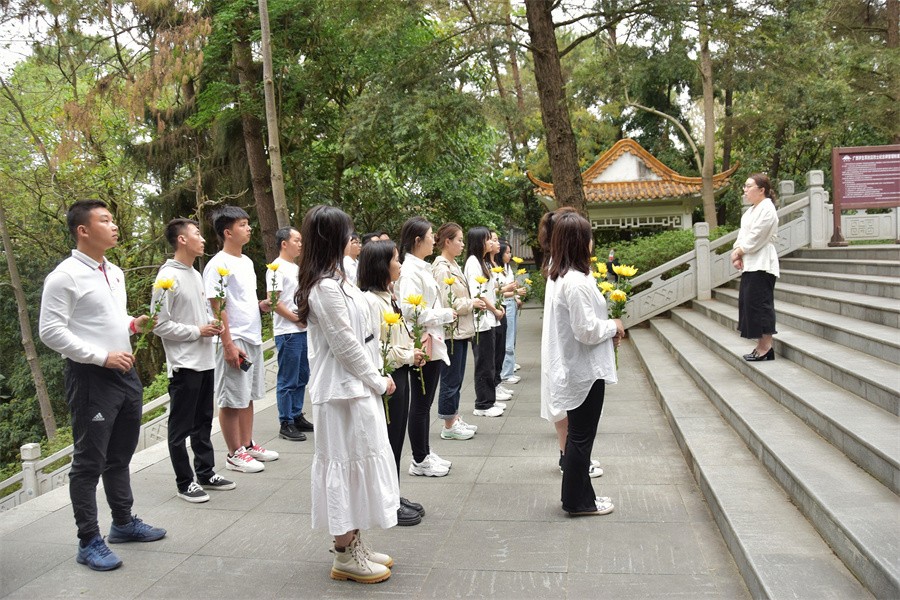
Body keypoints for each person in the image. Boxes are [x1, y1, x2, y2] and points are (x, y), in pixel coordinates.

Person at [39, 200, 166, 571]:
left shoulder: (115, 271)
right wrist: (101, 356)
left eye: (112, 219)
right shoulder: (64, 276)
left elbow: (107, 318)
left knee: (120, 455)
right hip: (91, 378)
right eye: (105, 220)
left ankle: (123, 523)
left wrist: (132, 324)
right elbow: (50, 331)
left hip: (125, 374)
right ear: (83, 230)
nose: (113, 226)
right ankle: (88, 540)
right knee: (88, 461)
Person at [295, 205, 399, 584]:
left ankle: (355, 543)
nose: (352, 238)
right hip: (341, 392)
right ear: (332, 237)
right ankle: (343, 553)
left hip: (357, 388)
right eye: (347, 232)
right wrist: (377, 380)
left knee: (358, 464)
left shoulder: (340, 279)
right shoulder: (324, 287)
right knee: (342, 465)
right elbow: (345, 346)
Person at [546, 212, 624, 516]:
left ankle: (581, 497)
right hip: (584, 370)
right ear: (580, 242)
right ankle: (577, 501)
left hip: (581, 366)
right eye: (588, 236)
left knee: (579, 437)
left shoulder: (568, 278)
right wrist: (613, 326)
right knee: (581, 438)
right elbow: (586, 330)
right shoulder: (576, 283)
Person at [153, 218, 235, 504]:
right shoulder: (166, 278)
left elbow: (198, 314)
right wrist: (197, 331)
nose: (202, 239)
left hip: (205, 360)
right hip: (184, 364)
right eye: (197, 234)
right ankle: (184, 482)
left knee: (203, 422)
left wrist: (212, 323)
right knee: (180, 429)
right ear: (182, 240)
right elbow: (159, 325)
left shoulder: (195, 274)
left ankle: (205, 472)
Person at [202, 206, 278, 474]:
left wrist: (260, 305)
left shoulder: (245, 262)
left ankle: (247, 444)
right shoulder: (217, 265)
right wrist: (228, 344)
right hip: (234, 338)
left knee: (248, 395)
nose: (249, 228)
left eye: (248, 223)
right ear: (227, 232)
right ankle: (234, 453)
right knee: (232, 398)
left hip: (252, 336)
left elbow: (239, 301)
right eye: (242, 225)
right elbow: (217, 306)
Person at [358, 240, 427, 525]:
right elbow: (376, 347)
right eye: (396, 260)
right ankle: (387, 501)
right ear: (381, 266)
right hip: (388, 376)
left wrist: (412, 352)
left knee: (396, 438)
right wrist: (409, 354)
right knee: (387, 440)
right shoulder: (370, 302)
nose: (399, 264)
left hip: (400, 372)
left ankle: (394, 493)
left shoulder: (388, 295)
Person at [538, 208, 604, 478]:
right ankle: (570, 460)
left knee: (571, 419)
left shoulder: (560, 267)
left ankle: (570, 459)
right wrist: (611, 327)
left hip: (563, 346)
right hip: (568, 350)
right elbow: (583, 327)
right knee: (574, 421)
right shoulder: (568, 274)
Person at [396, 216, 456, 476]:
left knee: (425, 402)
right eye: (431, 235)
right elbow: (410, 310)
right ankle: (419, 459)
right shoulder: (410, 270)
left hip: (431, 339)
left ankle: (424, 452)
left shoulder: (420, 267)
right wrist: (445, 314)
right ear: (418, 240)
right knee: (421, 403)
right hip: (423, 341)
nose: (435, 240)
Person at [432, 222, 483, 439]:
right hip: (451, 331)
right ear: (447, 242)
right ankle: (448, 424)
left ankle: (453, 417)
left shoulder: (453, 265)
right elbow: (448, 303)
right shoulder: (442, 268)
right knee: (451, 379)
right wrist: (472, 303)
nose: (463, 244)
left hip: (460, 330)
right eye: (459, 240)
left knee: (457, 377)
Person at [267, 226, 314, 442]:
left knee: (302, 375)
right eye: (296, 240)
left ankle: (296, 415)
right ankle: (285, 421)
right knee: (288, 378)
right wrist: (295, 318)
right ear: (284, 243)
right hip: (288, 332)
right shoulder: (276, 268)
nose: (300, 244)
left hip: (302, 330)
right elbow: (273, 301)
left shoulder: (296, 267)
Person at [731, 173, 780, 362]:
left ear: (761, 190)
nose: (745, 190)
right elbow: (742, 235)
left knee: (762, 305)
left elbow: (757, 236)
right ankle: (760, 345)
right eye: (745, 186)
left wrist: (740, 251)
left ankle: (766, 347)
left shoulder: (768, 209)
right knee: (750, 304)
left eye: (748, 186)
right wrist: (737, 252)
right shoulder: (750, 212)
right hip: (750, 263)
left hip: (763, 263)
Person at [464, 226, 506, 417]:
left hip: (488, 320)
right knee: (484, 364)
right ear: (479, 241)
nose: (491, 242)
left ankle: (489, 400)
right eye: (488, 239)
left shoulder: (482, 262)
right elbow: (478, 294)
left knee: (490, 362)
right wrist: (495, 309)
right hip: (481, 321)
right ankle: (483, 404)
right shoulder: (473, 263)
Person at [489, 231, 516, 403]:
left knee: (499, 349)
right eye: (493, 240)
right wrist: (507, 290)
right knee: (494, 352)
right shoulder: (483, 264)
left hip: (501, 308)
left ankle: (497, 383)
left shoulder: (495, 264)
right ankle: (490, 392)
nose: (497, 243)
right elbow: (487, 292)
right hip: (494, 311)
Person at [495, 239, 524, 386]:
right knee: (507, 339)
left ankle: (509, 366)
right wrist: (515, 293)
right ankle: (506, 373)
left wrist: (516, 296)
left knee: (511, 338)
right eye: (507, 252)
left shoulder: (508, 267)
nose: (510, 255)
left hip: (511, 303)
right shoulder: (496, 270)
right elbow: (498, 292)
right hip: (505, 304)